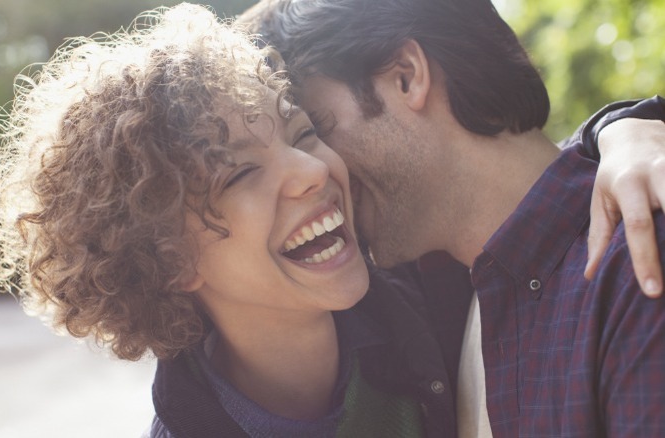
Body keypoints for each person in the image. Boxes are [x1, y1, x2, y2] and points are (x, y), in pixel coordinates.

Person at [0, 3, 664, 438]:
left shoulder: (432, 288)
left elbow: (529, 190)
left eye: (308, 131)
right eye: (241, 173)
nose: (314, 170)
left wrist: (631, 128)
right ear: (165, 257)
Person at [241, 0, 665, 436]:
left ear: (406, 76)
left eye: (316, 130)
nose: (319, 172)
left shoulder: (638, 258)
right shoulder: (430, 298)